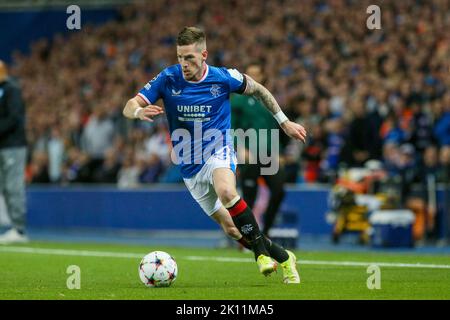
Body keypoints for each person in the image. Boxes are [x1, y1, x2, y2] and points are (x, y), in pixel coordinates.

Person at [123, 27, 306, 283]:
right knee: (231, 228)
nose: (184, 64)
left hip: (218, 148)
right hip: (189, 165)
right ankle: (285, 257)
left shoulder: (223, 77)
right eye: (180, 57)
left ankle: (261, 256)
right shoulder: (168, 78)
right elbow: (129, 105)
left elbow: (260, 90)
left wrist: (284, 122)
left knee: (228, 192)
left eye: (190, 58)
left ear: (204, 54)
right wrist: (137, 113)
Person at [230, 62, 287, 236]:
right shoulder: (238, 100)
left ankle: (266, 233)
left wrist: (280, 152)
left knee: (278, 191)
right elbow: (231, 127)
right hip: (250, 153)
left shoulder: (268, 99)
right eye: (249, 74)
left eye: (256, 74)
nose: (253, 77)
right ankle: (247, 235)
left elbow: (276, 127)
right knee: (249, 197)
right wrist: (240, 148)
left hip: (269, 154)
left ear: (263, 77)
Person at [0, 60, 28, 243]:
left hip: (13, 145)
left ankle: (19, 229)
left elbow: (15, 118)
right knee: (5, 187)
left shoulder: (11, 89)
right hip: (3, 144)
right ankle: (14, 227)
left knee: (13, 186)